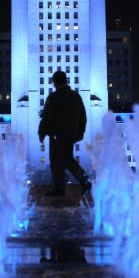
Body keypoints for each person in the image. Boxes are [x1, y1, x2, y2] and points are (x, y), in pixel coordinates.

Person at [38, 70, 93, 202]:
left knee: (56, 161)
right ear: (66, 81)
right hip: (70, 135)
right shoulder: (76, 96)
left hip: (56, 135)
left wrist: (41, 132)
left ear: (55, 82)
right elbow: (83, 116)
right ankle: (83, 181)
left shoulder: (53, 97)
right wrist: (80, 132)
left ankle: (60, 188)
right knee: (67, 159)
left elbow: (47, 117)